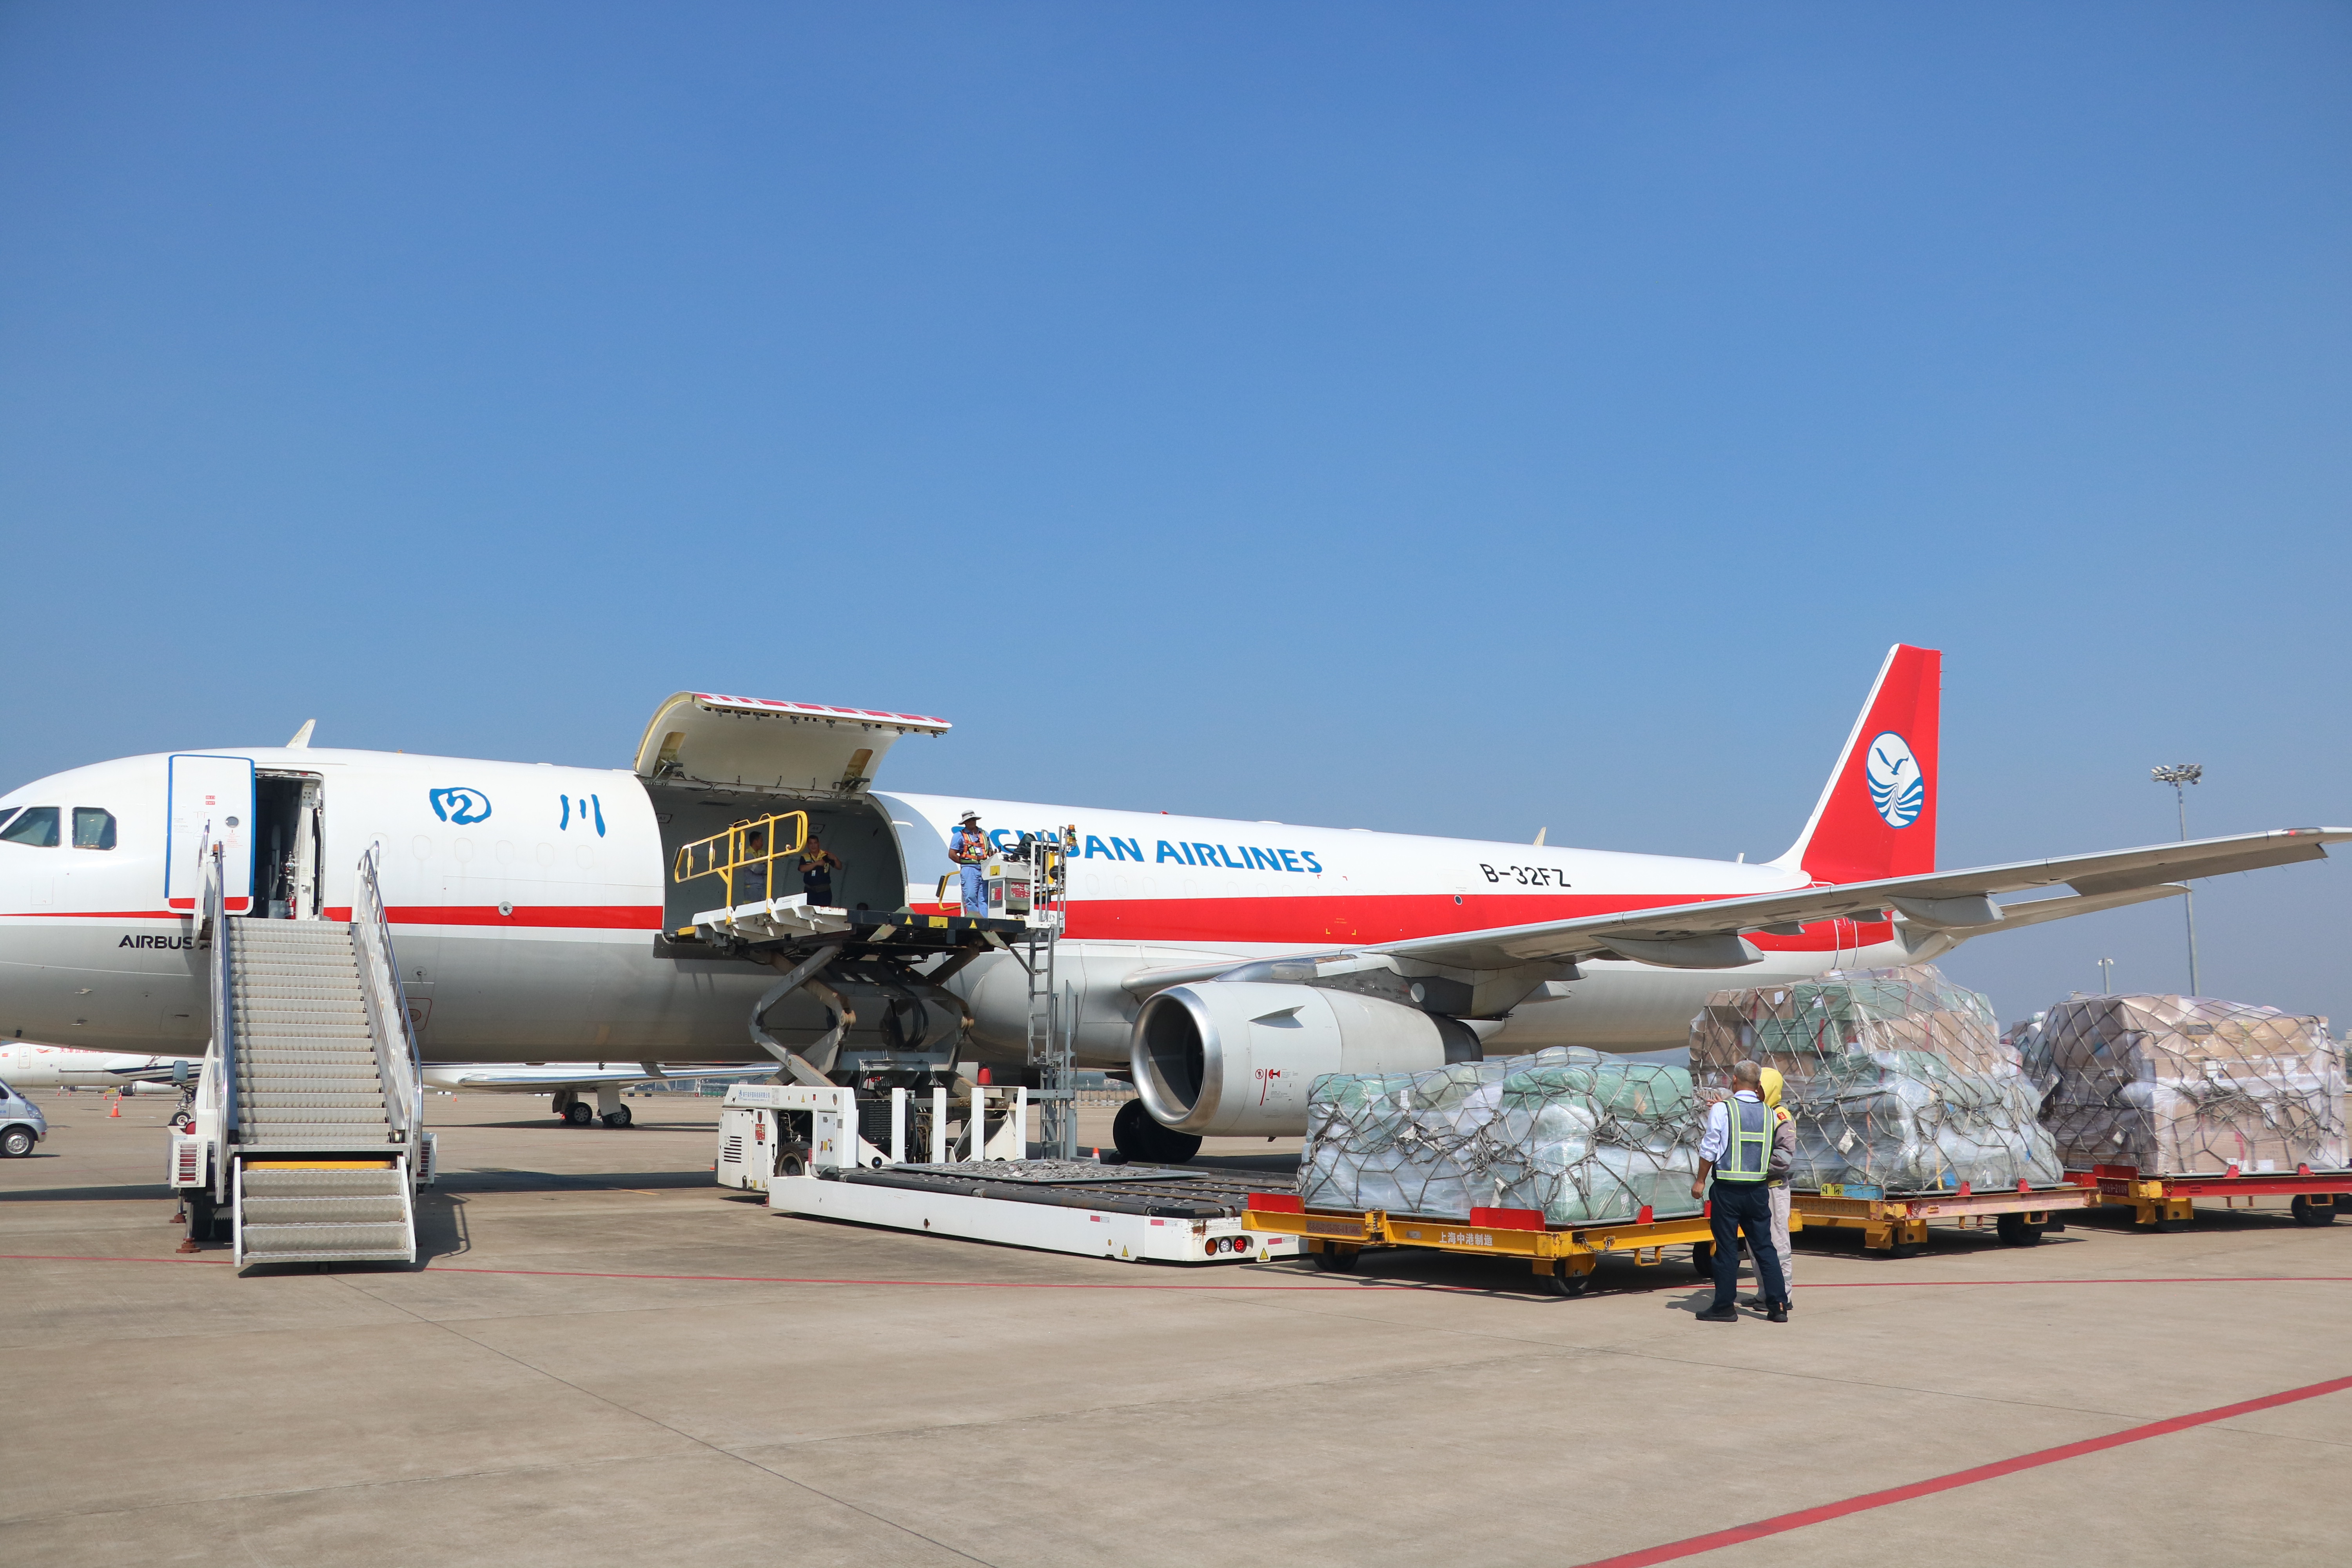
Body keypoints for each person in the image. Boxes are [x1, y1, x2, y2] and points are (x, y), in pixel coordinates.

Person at [1691, 1058, 1789, 1323]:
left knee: (1726, 1249)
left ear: (1734, 1080)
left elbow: (1710, 1147)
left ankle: (1724, 1306)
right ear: (1758, 1084)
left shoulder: (1723, 1109)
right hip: (1758, 1190)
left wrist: (1700, 1181)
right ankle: (1778, 1305)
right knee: (1765, 1248)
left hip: (1728, 1190)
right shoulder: (1770, 1114)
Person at [1741, 1066, 1798, 1315]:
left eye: (1760, 1088)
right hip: (1756, 1187)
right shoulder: (1758, 1112)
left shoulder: (1780, 1116)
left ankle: (1784, 1294)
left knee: (1778, 1243)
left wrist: (1754, 1166)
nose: (1756, 1092)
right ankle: (1765, 1292)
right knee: (1755, 1245)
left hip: (1773, 1188)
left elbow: (1784, 1158)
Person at [948, 811, 991, 916]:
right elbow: (952, 854)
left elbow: (990, 851)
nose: (972, 822)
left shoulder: (985, 834)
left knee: (984, 898)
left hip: (984, 868)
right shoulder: (959, 836)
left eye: (973, 820)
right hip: (969, 870)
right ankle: (974, 920)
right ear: (965, 823)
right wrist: (966, 863)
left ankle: (984, 921)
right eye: (969, 820)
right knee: (971, 897)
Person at [799, 836, 843, 908]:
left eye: (815, 843)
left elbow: (839, 867)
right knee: (810, 911)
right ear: (808, 845)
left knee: (824, 911)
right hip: (810, 890)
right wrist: (817, 864)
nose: (813, 846)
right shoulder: (805, 857)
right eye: (811, 843)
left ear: (819, 844)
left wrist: (835, 859)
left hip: (824, 891)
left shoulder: (826, 855)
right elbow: (802, 869)